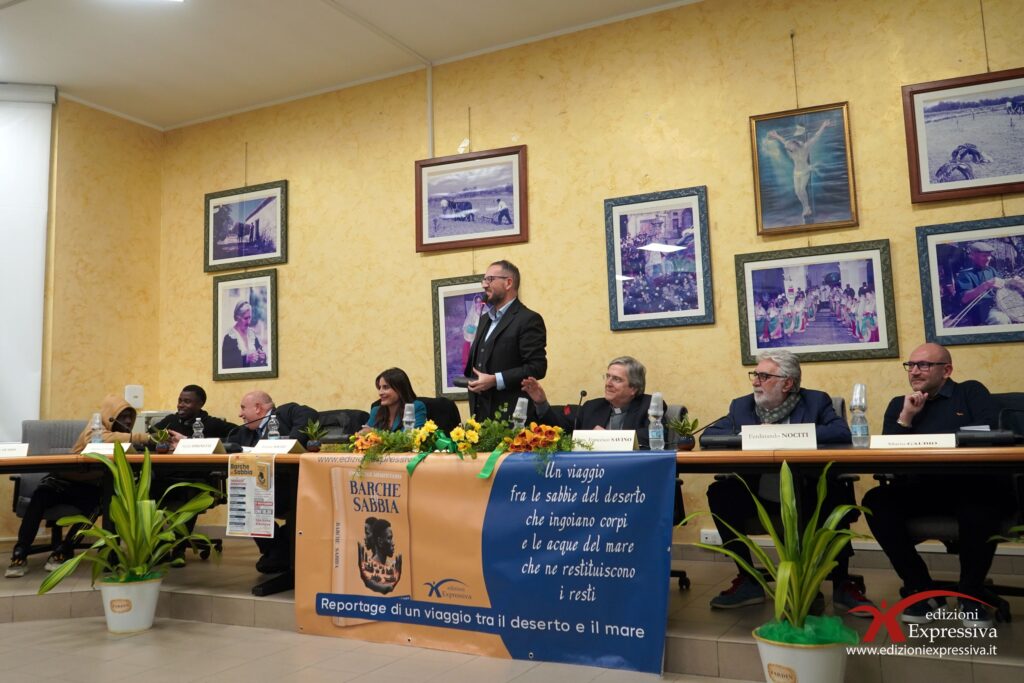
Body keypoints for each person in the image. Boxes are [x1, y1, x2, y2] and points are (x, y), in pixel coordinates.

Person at [702, 350, 871, 614]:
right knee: (720, 492)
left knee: (833, 491)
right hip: (760, 494)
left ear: (788, 383)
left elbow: (840, 432)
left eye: (764, 376)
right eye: (755, 375)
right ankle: (748, 579)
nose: (755, 381)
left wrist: (783, 434)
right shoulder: (742, 406)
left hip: (807, 491)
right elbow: (709, 436)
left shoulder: (815, 402)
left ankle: (842, 584)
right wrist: (753, 435)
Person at [864, 343, 1012, 628]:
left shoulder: (970, 392)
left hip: (970, 485)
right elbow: (886, 456)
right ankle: (921, 588)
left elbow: (991, 433)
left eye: (924, 365)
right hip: (921, 489)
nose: (914, 371)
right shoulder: (899, 404)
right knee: (876, 501)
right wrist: (906, 417)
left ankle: (970, 593)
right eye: (910, 365)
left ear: (947, 370)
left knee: (980, 504)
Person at [6, 395, 151, 578]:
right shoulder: (95, 427)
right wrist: (142, 437)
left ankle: (64, 549)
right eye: (123, 416)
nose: (128, 421)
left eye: (130, 417)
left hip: (88, 489)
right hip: (61, 482)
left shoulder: (125, 442)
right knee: (40, 496)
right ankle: (20, 552)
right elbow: (99, 440)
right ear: (110, 415)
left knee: (99, 504)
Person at [224, 391, 317, 574]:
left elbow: (310, 414)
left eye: (243, 408)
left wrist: (289, 444)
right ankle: (276, 551)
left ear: (258, 408)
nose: (240, 414)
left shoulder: (285, 412)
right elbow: (224, 444)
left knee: (252, 498)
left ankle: (280, 554)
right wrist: (186, 441)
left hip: (292, 487)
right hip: (262, 491)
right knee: (241, 498)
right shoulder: (245, 432)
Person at [464, 260, 547, 422]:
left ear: (508, 283)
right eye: (484, 280)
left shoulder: (528, 319)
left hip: (511, 418)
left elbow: (537, 367)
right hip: (479, 418)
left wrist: (495, 380)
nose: (484, 285)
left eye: (490, 279)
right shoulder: (484, 319)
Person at [522, 356, 666, 449]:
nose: (608, 383)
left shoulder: (649, 405)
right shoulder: (592, 407)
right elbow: (559, 430)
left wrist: (609, 438)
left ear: (633, 388)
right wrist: (541, 403)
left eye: (616, 379)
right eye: (608, 377)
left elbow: (654, 437)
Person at [766, 119, 832, 222]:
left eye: (791, 149)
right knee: (797, 192)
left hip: (805, 171)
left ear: (796, 145)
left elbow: (816, 136)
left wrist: (823, 126)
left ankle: (807, 207)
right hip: (796, 173)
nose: (789, 151)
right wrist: (776, 135)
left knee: (802, 189)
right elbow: (783, 141)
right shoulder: (789, 146)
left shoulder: (805, 147)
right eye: (789, 149)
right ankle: (806, 208)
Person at [951, 241, 1020, 326]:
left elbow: (1001, 284)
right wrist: (986, 285)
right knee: (1000, 320)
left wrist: (1012, 281)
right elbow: (964, 299)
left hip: (998, 305)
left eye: (989, 255)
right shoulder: (965, 274)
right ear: (973, 256)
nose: (988, 259)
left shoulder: (990, 270)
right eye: (984, 256)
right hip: (981, 310)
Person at [151, 384, 237, 442]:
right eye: (180, 401)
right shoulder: (171, 420)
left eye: (187, 401)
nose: (180, 405)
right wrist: (164, 439)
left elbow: (240, 435)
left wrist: (210, 442)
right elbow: (149, 436)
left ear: (200, 404)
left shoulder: (212, 423)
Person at [222, 300, 267, 369]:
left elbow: (260, 352)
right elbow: (226, 363)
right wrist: (246, 359)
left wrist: (262, 357)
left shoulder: (252, 334)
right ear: (238, 317)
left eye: (250, 317)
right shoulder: (229, 338)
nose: (249, 322)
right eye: (245, 318)